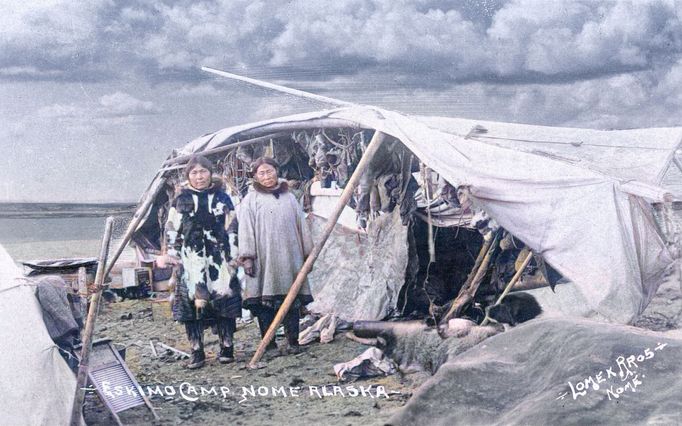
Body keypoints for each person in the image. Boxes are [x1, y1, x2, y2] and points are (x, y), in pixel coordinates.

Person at [162, 155, 241, 369]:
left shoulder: (223, 197)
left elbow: (232, 226)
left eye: (203, 172)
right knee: (190, 305)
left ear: (210, 173)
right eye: (194, 173)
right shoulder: (181, 199)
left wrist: (233, 256)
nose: (199, 176)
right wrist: (172, 255)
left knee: (224, 301)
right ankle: (196, 351)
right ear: (189, 176)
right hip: (190, 261)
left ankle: (227, 347)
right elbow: (172, 228)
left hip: (219, 259)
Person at [237, 157, 314, 354]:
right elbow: (245, 230)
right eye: (261, 173)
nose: (267, 176)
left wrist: (308, 253)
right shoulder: (250, 200)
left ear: (276, 171)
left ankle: (293, 342)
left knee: (292, 300)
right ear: (255, 176)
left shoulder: (289, 197)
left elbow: (301, 225)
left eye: (269, 171)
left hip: (290, 257)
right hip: (264, 258)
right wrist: (247, 257)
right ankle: (269, 344)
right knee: (265, 302)